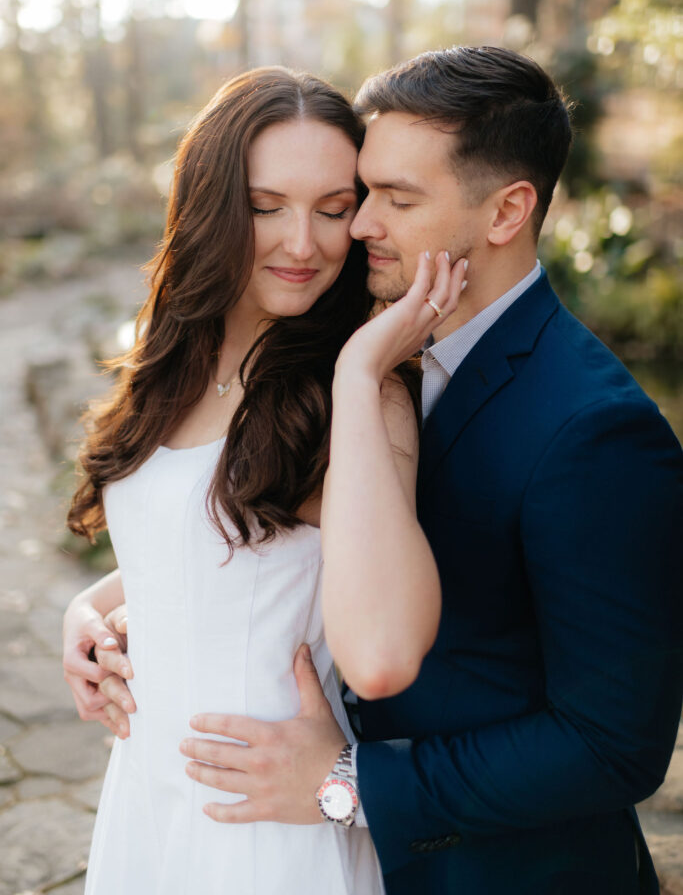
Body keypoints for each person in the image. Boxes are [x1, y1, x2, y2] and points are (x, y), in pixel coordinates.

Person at [66, 47, 683, 895]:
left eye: (385, 200)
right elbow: (275, 542)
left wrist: (351, 783)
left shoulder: (591, 428)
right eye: (363, 194)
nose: (350, 230)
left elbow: (612, 744)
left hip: (487, 868)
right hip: (186, 803)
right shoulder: (370, 347)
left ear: (506, 212)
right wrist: (98, 606)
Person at [62, 65, 468, 895]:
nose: (303, 242)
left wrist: (359, 372)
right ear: (210, 207)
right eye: (264, 206)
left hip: (258, 832)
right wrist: (90, 608)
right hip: (144, 801)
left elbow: (385, 650)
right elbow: (209, 544)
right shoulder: (173, 357)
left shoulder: (357, 398)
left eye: (331, 209)